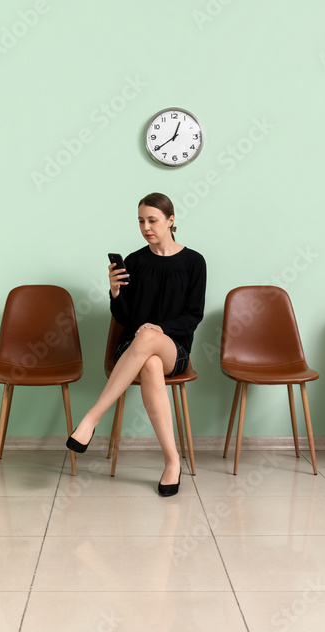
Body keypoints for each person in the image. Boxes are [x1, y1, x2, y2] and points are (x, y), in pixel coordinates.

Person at [66, 192, 206, 497]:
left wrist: (159, 329)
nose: (146, 227)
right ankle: (172, 463)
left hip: (175, 348)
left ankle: (92, 417)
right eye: (141, 221)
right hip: (133, 349)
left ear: (171, 221)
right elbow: (126, 318)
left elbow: (194, 316)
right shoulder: (135, 261)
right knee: (149, 360)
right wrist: (115, 292)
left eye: (152, 220)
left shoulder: (194, 262)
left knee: (151, 342)